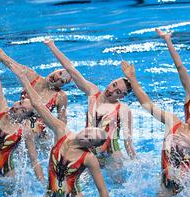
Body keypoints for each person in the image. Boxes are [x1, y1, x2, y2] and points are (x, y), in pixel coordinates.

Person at [15, 62, 111, 197]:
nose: (85, 136)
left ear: (90, 146)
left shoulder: (89, 158)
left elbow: (102, 189)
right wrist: (24, 79)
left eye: (89, 139)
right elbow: (36, 104)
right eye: (88, 132)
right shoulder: (61, 131)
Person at [121, 60, 190, 194]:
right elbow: (147, 104)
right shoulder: (173, 122)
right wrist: (132, 79)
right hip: (163, 184)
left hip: (183, 195)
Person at [43, 39, 136, 169]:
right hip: (89, 150)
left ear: (122, 96)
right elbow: (71, 70)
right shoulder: (93, 93)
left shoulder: (123, 109)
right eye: (114, 84)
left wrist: (136, 163)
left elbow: (128, 142)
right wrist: (52, 46)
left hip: (111, 157)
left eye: (117, 91)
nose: (111, 90)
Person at [0, 25, 71, 138]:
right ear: (55, 69)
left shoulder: (60, 97)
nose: (57, 78)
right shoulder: (31, 76)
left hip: (39, 135)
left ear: (62, 86)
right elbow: (4, 58)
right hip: (17, 127)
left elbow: (62, 125)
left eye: (62, 81)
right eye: (60, 73)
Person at [0, 48, 44, 182]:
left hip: (7, 175)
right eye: (20, 102)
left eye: (23, 110)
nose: (16, 107)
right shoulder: (0, 109)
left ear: (26, 116)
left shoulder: (25, 131)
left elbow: (34, 161)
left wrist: (43, 183)